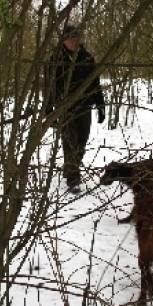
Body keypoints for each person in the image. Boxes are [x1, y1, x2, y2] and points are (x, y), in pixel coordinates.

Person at [45, 23, 106, 193]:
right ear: (63, 40)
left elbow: (95, 83)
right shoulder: (55, 59)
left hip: (85, 105)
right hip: (65, 107)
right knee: (70, 142)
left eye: (75, 38)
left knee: (81, 142)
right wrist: (49, 110)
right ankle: (73, 178)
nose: (73, 41)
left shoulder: (87, 57)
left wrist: (100, 105)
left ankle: (71, 168)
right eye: (70, 38)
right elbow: (49, 86)